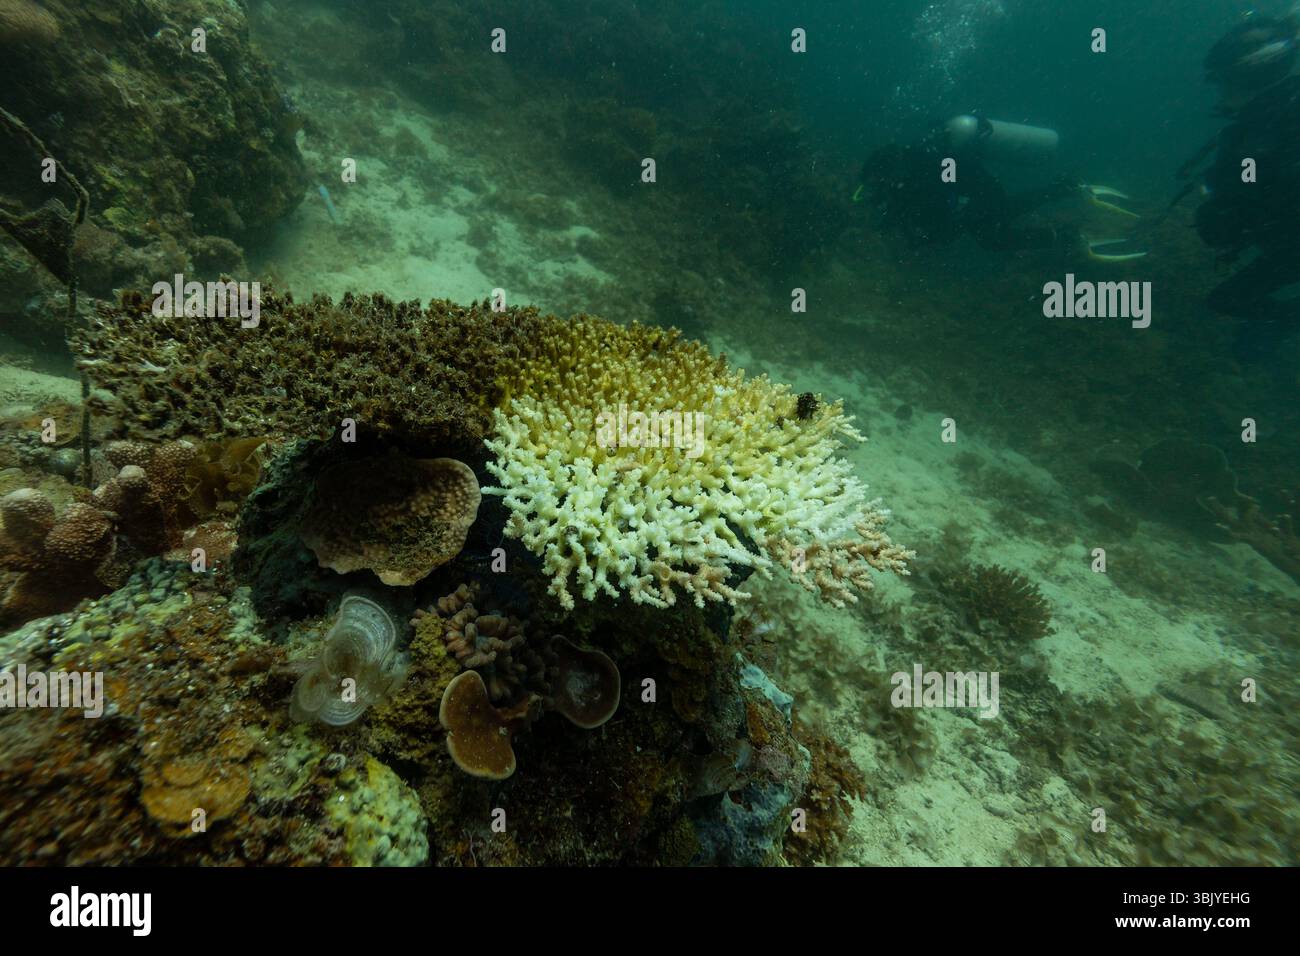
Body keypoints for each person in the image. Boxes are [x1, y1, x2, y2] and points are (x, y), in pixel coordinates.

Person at [1190, 9, 1300, 359]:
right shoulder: (1269, 121)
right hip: (1286, 246)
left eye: (1225, 81)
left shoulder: (1272, 125)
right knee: (1228, 300)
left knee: (1227, 299)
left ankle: (1281, 323)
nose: (1221, 94)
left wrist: (1227, 213)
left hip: (1290, 248)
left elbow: (1251, 204)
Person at [857, 116, 1127, 258]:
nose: (880, 186)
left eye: (880, 181)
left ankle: (1068, 236)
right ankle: (1068, 188)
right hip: (978, 192)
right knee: (1005, 212)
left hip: (977, 196)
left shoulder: (920, 174)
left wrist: (952, 214)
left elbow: (943, 214)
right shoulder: (914, 164)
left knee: (993, 238)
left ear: (888, 172)